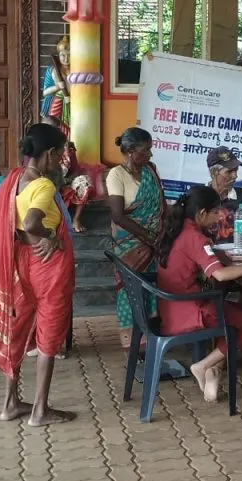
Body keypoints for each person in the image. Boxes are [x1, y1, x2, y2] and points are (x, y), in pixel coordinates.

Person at [156, 186, 242, 403]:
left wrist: (221, 256)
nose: (221, 216)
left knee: (227, 316)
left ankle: (212, 372)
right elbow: (220, 274)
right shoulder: (195, 238)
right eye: (216, 212)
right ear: (201, 214)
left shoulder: (177, 229)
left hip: (171, 306)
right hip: (190, 311)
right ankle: (204, 365)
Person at [0, 123, 76, 426]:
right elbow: (32, 220)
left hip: (19, 262)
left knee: (18, 326)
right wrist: (49, 235)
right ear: (49, 154)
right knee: (50, 332)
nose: (62, 160)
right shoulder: (44, 185)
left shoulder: (12, 180)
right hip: (47, 266)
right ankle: (40, 410)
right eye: (61, 154)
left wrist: (31, 235)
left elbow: (13, 223)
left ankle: (10, 402)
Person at [107, 128, 165, 350]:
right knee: (129, 290)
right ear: (130, 151)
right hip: (130, 245)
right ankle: (132, 344)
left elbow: (159, 207)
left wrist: (157, 237)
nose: (150, 155)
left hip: (155, 243)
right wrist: (147, 236)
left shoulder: (151, 170)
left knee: (151, 288)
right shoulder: (116, 175)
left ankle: (150, 338)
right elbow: (118, 215)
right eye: (145, 150)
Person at [41, 115, 92, 232]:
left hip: (64, 183)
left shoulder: (66, 147)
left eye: (57, 129)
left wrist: (66, 181)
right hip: (44, 183)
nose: (54, 132)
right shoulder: (38, 146)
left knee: (85, 180)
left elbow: (77, 170)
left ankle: (76, 220)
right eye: (50, 129)